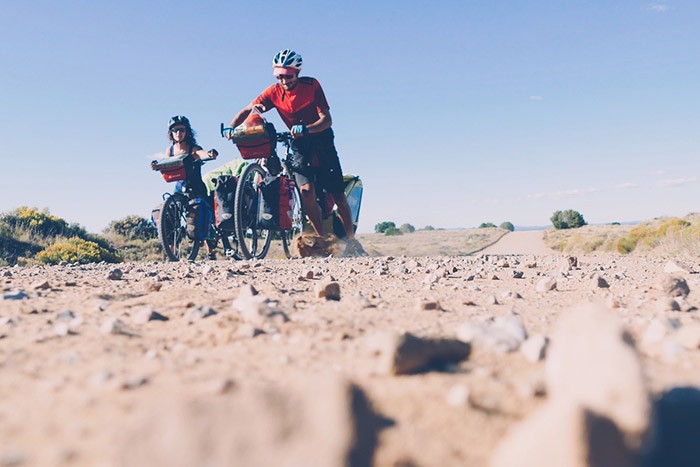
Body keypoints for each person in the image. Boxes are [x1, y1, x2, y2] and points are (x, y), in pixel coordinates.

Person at [225, 49, 366, 256]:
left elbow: (327, 119)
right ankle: (323, 241)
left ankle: (352, 241)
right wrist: (232, 126)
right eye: (279, 76)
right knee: (306, 191)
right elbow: (249, 108)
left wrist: (308, 128)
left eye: (287, 76)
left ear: (297, 73)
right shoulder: (273, 92)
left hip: (322, 141)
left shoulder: (312, 86)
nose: (283, 80)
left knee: (337, 194)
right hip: (299, 145)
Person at [153, 115, 219, 259]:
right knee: (167, 213)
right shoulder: (169, 151)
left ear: (187, 131)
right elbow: (166, 163)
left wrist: (209, 154)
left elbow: (202, 153)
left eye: (182, 129)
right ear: (171, 132)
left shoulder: (193, 148)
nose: (178, 133)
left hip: (196, 188)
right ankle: (171, 252)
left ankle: (210, 251)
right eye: (175, 130)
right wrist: (157, 166)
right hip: (179, 189)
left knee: (205, 215)